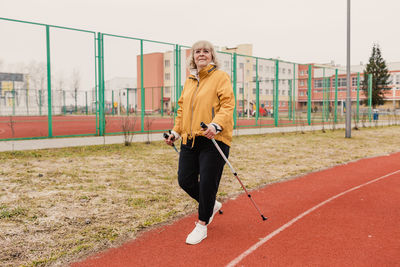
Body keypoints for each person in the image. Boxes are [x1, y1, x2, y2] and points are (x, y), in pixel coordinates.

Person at [165, 40, 235, 245]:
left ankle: (202, 224)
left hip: (213, 139)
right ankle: (211, 204)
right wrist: (176, 132)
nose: (201, 54)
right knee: (184, 180)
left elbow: (228, 105)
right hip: (190, 138)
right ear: (193, 56)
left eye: (206, 51)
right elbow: (182, 109)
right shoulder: (190, 80)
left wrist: (216, 125)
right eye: (197, 51)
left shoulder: (220, 77)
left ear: (212, 55)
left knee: (206, 183)